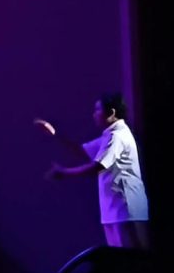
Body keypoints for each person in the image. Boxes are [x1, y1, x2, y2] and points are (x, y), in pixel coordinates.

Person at [39, 93, 149, 249]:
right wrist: (55, 133)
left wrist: (64, 172)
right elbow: (82, 151)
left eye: (98, 110)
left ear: (111, 113)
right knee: (120, 258)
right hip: (114, 211)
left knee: (129, 257)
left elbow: (98, 166)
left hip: (124, 211)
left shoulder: (118, 136)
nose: (94, 114)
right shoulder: (109, 136)